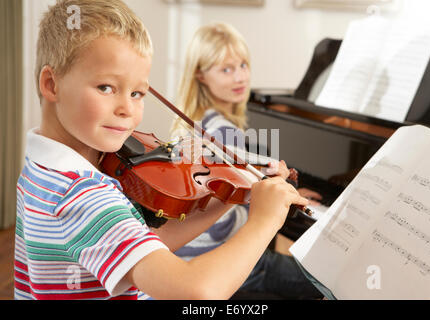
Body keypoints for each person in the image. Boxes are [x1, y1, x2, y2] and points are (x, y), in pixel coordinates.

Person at [14, 0, 309, 300]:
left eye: (137, 93)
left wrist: (239, 191)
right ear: (52, 84)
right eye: (106, 87)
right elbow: (197, 292)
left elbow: (152, 240)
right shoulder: (83, 196)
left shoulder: (43, 169)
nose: (127, 109)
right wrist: (263, 221)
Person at [170, 22, 323, 299]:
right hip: (219, 256)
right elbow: (237, 198)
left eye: (243, 65)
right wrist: (283, 194)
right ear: (201, 75)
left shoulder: (197, 121)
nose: (239, 77)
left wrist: (276, 189)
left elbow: (235, 187)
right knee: (320, 282)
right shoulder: (224, 132)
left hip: (185, 251)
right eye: (226, 69)